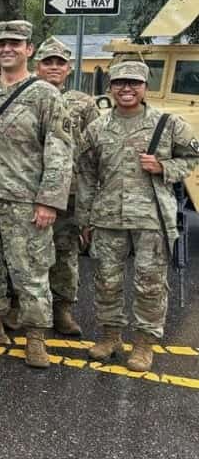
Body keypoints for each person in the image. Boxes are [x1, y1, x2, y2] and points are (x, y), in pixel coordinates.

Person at [0, 20, 72, 369]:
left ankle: (35, 337)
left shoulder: (44, 94)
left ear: (29, 49)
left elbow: (60, 150)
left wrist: (49, 200)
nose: (7, 49)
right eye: (1, 43)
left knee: (31, 270)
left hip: (26, 200)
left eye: (15, 43)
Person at [76, 61, 199, 371]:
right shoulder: (98, 128)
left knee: (150, 283)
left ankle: (144, 344)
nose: (126, 88)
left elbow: (193, 155)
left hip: (151, 218)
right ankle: (110, 336)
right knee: (107, 281)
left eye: (133, 82)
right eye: (119, 83)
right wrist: (85, 219)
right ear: (111, 87)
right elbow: (87, 174)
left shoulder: (167, 124)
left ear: (144, 86)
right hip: (107, 218)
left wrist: (165, 168)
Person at [33, 37, 99, 336]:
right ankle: (22, 307)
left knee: (64, 253)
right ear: (38, 66)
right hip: (27, 189)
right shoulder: (25, 95)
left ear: (69, 67)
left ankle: (62, 309)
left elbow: (95, 150)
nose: (54, 67)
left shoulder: (83, 103)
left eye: (60, 62)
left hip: (68, 193)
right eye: (48, 62)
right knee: (25, 252)